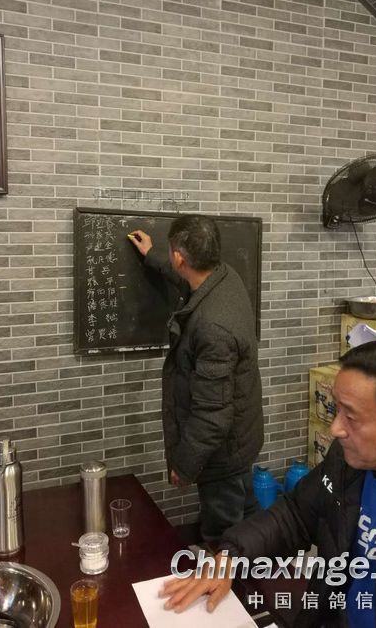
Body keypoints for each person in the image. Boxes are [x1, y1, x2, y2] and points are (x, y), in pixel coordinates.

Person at [160, 340, 376, 626]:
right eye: (336, 410)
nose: (336, 429)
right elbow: (295, 515)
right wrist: (230, 557)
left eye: (351, 417)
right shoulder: (348, 462)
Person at [128, 215, 263, 544]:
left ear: (180, 258)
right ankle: (262, 566)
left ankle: (233, 574)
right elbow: (185, 281)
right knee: (248, 517)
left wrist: (185, 465)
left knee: (223, 535)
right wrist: (151, 256)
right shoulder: (225, 276)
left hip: (223, 451)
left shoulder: (213, 327)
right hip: (240, 438)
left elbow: (212, 414)